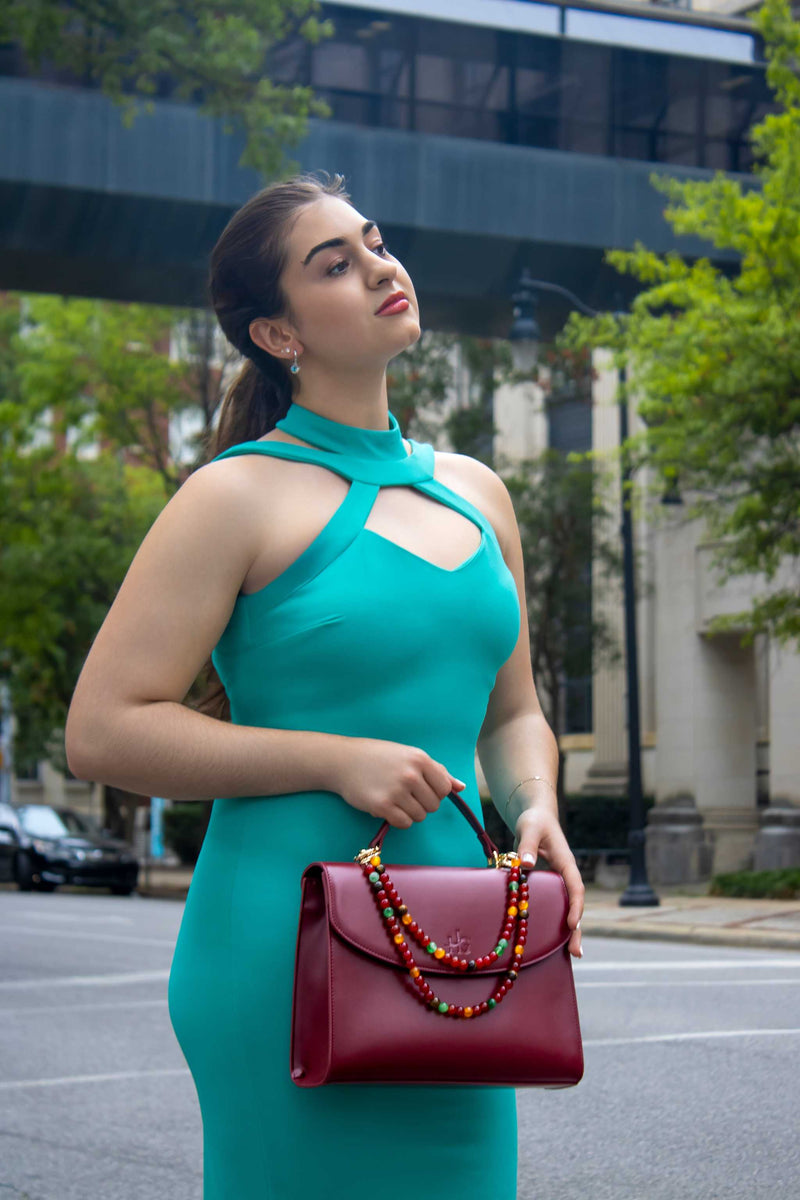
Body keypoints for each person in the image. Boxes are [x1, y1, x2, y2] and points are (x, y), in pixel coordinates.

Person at [65, 169, 584, 1199]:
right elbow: (103, 730)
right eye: (334, 265)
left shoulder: (478, 493)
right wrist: (334, 759)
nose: (381, 269)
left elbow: (513, 711)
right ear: (278, 334)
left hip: (461, 955)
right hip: (277, 948)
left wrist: (535, 804)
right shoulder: (231, 497)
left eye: (375, 244)